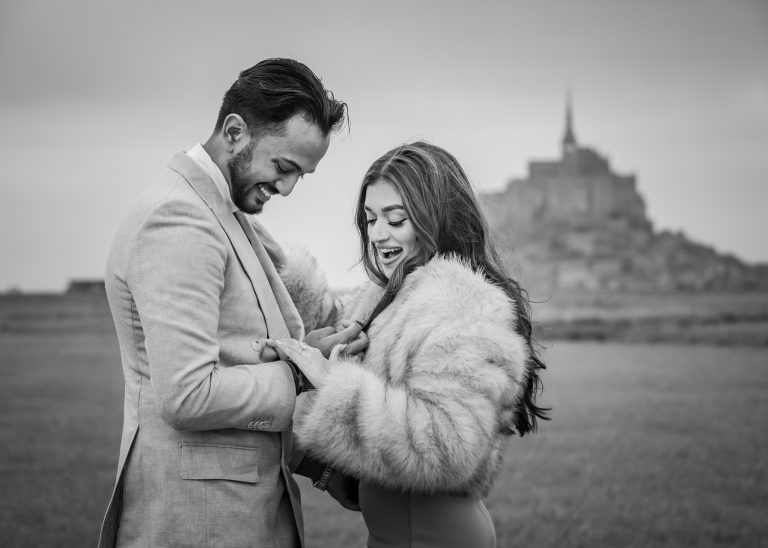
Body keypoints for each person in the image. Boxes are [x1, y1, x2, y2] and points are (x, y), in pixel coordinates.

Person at [98, 58, 365, 548]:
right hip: (196, 522)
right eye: (283, 166)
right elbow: (188, 394)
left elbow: (239, 351)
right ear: (236, 131)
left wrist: (311, 350)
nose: (286, 187)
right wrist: (302, 372)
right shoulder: (179, 219)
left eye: (300, 175)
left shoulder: (223, 211)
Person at [266, 141, 549, 547]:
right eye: (370, 219)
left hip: (434, 536)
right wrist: (282, 274)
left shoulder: (460, 305)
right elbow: (343, 334)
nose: (378, 234)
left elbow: (447, 446)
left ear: (435, 218)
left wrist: (336, 388)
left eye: (395, 220)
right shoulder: (392, 294)